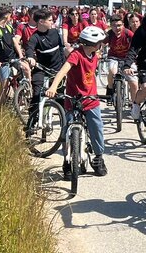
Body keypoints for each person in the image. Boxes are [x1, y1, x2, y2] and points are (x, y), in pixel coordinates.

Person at [46, 26, 108, 179]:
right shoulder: (76, 55)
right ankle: (68, 161)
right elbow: (63, 71)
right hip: (73, 99)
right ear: (93, 43)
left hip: (91, 99)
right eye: (100, 42)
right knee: (66, 130)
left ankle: (98, 157)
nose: (101, 45)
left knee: (97, 127)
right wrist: (53, 87)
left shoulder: (95, 55)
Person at [24, 9, 66, 133]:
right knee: (37, 94)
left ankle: (67, 123)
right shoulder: (35, 37)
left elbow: (61, 49)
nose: (52, 22)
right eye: (50, 20)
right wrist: (30, 57)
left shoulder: (54, 33)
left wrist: (63, 68)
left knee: (60, 97)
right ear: (41, 22)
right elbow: (29, 48)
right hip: (41, 69)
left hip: (56, 70)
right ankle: (31, 124)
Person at [0, 6, 23, 108]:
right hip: (3, 60)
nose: (11, 17)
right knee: (4, 85)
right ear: (6, 16)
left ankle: (21, 99)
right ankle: (0, 108)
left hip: (13, 57)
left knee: (24, 71)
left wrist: (20, 55)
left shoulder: (9, 27)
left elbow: (15, 42)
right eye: (10, 15)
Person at [104, 13, 136, 106]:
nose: (117, 28)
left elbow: (136, 45)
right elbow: (101, 45)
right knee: (111, 71)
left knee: (133, 80)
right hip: (113, 57)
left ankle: (134, 103)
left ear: (123, 25)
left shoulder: (128, 33)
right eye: (114, 26)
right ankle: (110, 90)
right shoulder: (109, 34)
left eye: (119, 25)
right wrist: (98, 52)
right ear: (111, 26)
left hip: (128, 58)